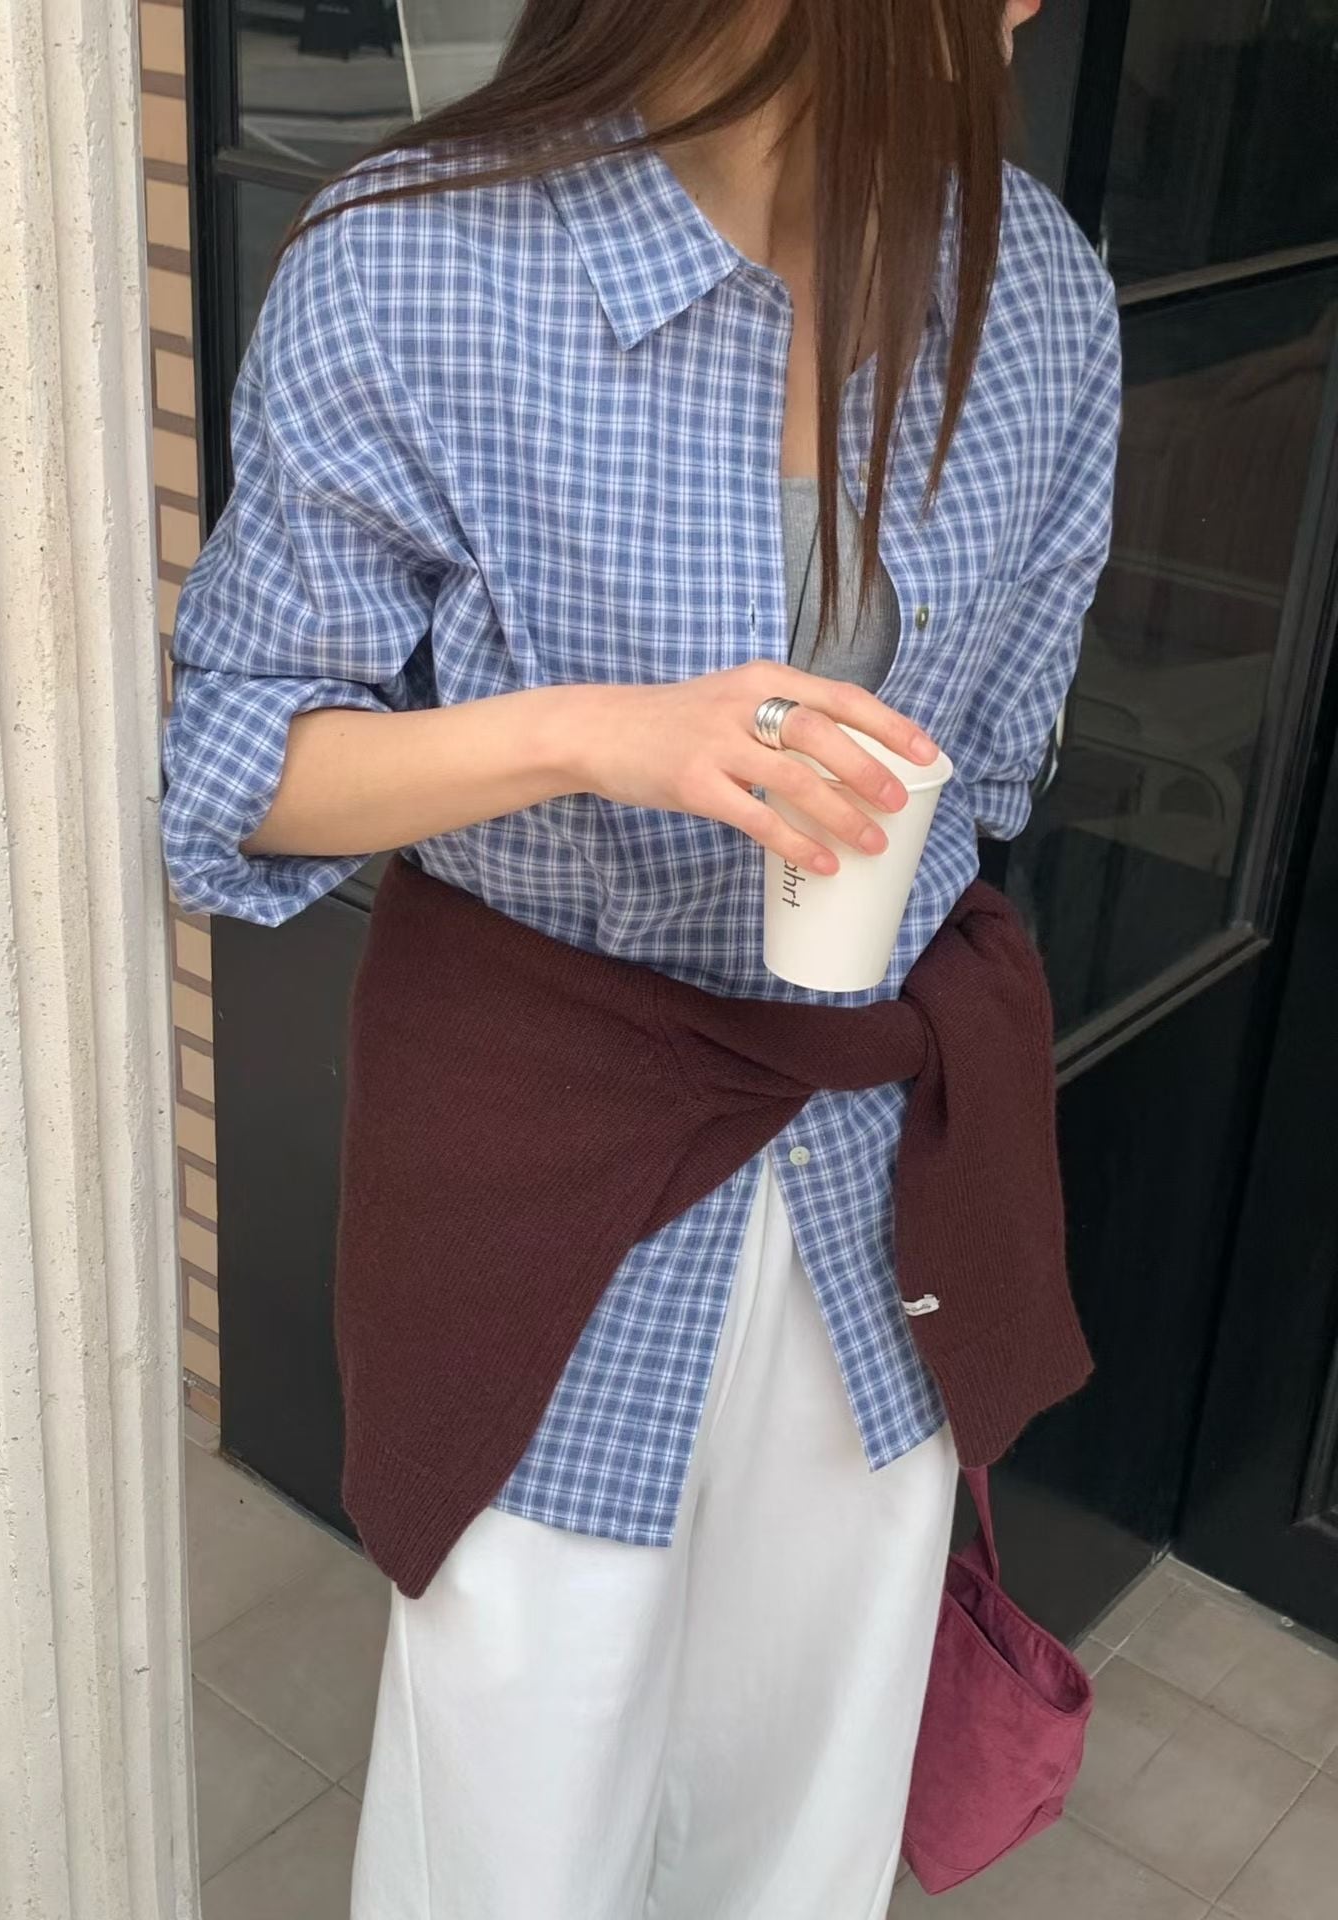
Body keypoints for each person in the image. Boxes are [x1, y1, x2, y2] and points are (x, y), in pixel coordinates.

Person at [160, 1, 1121, 1914]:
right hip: (544, 1157)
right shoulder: (423, 261)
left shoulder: (1038, 294)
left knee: (807, 1789)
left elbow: (996, 759)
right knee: (517, 1790)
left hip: (878, 1166)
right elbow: (234, 774)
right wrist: (597, 735)